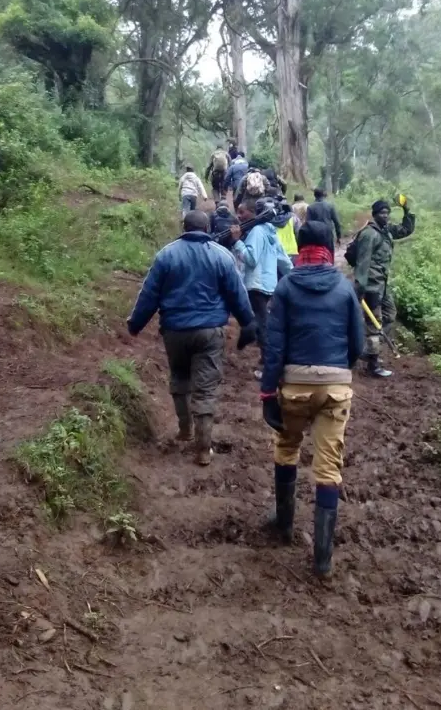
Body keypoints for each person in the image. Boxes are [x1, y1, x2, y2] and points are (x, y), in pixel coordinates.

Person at [260, 221, 364, 577]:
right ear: (330, 247)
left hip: (294, 385)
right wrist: (337, 369)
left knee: (287, 446)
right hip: (336, 386)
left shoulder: (287, 287)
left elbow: (274, 347)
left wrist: (267, 392)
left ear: (300, 247)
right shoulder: (345, 288)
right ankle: (322, 560)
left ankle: (285, 525)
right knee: (328, 467)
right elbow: (358, 345)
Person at [127, 211, 255, 465]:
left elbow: (149, 293)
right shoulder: (221, 255)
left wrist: (136, 324)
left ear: (183, 227)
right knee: (205, 388)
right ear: (207, 228)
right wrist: (248, 322)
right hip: (210, 331)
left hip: (174, 330)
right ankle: (203, 448)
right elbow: (236, 293)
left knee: (180, 378)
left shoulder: (166, 255)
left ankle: (184, 430)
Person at [345, 196, 415, 378]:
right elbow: (363, 263)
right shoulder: (370, 234)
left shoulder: (386, 231)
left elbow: (406, 229)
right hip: (371, 286)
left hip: (382, 285)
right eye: (382, 213)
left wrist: (407, 209)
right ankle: (373, 365)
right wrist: (359, 289)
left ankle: (368, 351)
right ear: (375, 215)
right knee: (374, 324)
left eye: (387, 213)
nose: (385, 216)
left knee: (389, 315)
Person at [229, 198, 292, 374]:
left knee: (262, 323)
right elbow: (284, 260)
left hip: (256, 284)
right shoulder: (270, 231)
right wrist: (294, 277)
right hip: (268, 284)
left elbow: (251, 259)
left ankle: (268, 365)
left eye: (242, 212)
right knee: (262, 320)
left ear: (254, 213)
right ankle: (256, 345)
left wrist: (236, 242)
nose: (239, 216)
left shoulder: (256, 231)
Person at [271, 197, 298, 264]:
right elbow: (299, 235)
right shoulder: (293, 218)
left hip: (276, 252)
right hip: (292, 252)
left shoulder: (270, 220)